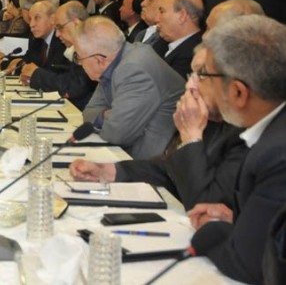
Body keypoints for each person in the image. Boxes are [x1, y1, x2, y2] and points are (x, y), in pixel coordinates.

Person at [70, 46, 246, 210]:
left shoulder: (245, 136)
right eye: (191, 75)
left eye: (201, 75)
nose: (189, 86)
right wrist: (109, 171)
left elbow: (206, 205)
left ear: (233, 85)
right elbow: (170, 170)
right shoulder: (211, 121)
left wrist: (191, 137)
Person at [186, 15, 286, 284]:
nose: (196, 84)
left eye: (205, 75)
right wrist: (240, 220)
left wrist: (212, 229)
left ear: (239, 93)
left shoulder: (276, 153)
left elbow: (245, 264)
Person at [75, 16, 183, 159]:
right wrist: (106, 115)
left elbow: (116, 134)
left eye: (79, 58)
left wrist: (107, 117)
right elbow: (88, 112)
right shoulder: (114, 61)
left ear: (98, 60)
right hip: (130, 152)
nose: (79, 63)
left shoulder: (134, 69)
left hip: (149, 161)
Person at [20, 1, 96, 110]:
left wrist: (36, 75)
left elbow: (72, 87)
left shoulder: (92, 48)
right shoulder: (75, 48)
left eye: (60, 28)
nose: (57, 34)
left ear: (76, 24)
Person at [156, 0, 204, 79]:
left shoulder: (192, 56)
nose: (157, 19)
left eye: (162, 11)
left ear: (182, 16)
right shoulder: (163, 44)